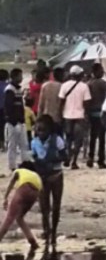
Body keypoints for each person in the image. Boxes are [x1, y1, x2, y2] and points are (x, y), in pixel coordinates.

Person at [29, 115, 65, 245]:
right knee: (44, 207)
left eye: (43, 130)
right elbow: (33, 157)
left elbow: (64, 157)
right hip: (42, 177)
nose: (40, 133)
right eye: (38, 130)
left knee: (56, 206)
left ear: (50, 130)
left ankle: (54, 231)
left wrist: (52, 160)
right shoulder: (34, 142)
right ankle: (46, 230)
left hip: (56, 175)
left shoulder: (58, 140)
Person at [0, 161, 41, 247]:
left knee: (9, 218)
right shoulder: (35, 175)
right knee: (19, 218)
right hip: (35, 193)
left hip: (24, 188)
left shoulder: (19, 171)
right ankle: (32, 241)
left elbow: (11, 183)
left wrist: (5, 198)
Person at [59, 65, 91, 168]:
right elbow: (86, 103)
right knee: (78, 140)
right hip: (80, 116)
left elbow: (61, 101)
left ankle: (68, 157)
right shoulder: (84, 86)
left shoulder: (64, 86)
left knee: (68, 138)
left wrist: (60, 114)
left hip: (67, 115)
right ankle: (74, 161)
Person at [3, 69, 28, 171]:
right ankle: (12, 165)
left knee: (23, 144)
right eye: (20, 76)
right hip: (13, 123)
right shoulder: (10, 90)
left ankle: (25, 162)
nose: (21, 78)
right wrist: (13, 121)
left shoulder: (17, 89)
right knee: (12, 145)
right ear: (15, 77)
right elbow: (8, 107)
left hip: (19, 121)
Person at [85, 63, 106, 168]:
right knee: (102, 137)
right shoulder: (103, 84)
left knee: (93, 136)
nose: (103, 72)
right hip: (101, 112)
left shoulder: (88, 84)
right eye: (101, 70)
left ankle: (90, 157)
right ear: (97, 72)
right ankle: (100, 159)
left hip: (91, 112)